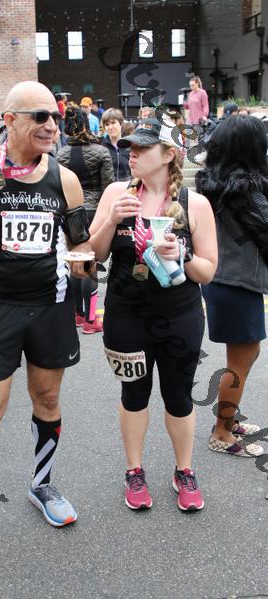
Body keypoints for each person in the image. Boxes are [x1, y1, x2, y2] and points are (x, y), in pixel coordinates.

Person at [0, 81, 92, 566]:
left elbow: (81, 248)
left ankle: (42, 485)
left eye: (56, 116)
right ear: (9, 120)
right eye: (40, 116)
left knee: (47, 399)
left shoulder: (65, 179)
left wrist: (88, 262)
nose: (52, 125)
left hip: (50, 307)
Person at [90, 117, 217, 512]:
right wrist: (111, 219)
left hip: (180, 317)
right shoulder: (117, 193)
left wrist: (183, 254)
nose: (132, 154)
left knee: (178, 396)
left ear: (168, 155)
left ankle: (184, 471)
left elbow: (207, 271)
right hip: (126, 316)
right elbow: (93, 255)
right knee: (134, 394)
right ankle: (134, 470)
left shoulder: (195, 203)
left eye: (142, 148)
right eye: (130, 147)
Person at [196, 116, 268, 458]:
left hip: (222, 279)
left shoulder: (212, 183)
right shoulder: (248, 191)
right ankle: (222, 433)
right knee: (239, 362)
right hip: (237, 283)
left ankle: (229, 418)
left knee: (244, 356)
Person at [57, 105, 114, 333]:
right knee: (91, 264)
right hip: (94, 210)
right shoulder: (101, 152)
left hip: (70, 212)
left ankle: (77, 314)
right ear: (87, 123)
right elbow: (108, 187)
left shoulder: (60, 155)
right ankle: (91, 320)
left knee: (74, 261)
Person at [101, 108, 131, 182]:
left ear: (121, 124)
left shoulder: (130, 145)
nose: (110, 127)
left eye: (113, 123)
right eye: (107, 124)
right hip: (108, 187)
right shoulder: (101, 146)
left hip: (127, 186)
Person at [183, 76, 209, 144]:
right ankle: (186, 150)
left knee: (196, 138)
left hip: (199, 119)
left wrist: (205, 115)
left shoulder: (202, 92)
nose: (191, 87)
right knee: (186, 134)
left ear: (197, 84)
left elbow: (205, 105)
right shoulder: (190, 94)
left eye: (193, 85)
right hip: (190, 118)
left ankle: (196, 149)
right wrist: (185, 104)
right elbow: (188, 106)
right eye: (190, 85)